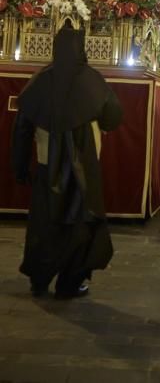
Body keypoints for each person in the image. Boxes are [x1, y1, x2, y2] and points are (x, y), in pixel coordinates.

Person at [11, 27, 122, 299]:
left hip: (46, 162)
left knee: (43, 221)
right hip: (84, 167)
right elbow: (112, 118)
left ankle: (39, 278)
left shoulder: (39, 80)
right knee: (80, 224)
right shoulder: (93, 80)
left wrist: (20, 166)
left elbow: (23, 127)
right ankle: (70, 283)